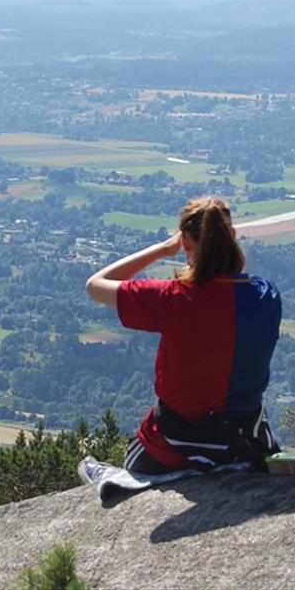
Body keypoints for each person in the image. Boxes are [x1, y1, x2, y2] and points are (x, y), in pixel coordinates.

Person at [85, 196, 282, 473]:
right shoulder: (266, 295)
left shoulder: (173, 299)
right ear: (233, 236)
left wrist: (161, 250)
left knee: (130, 466)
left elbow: (95, 285)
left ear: (185, 243)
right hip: (245, 442)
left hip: (176, 445)